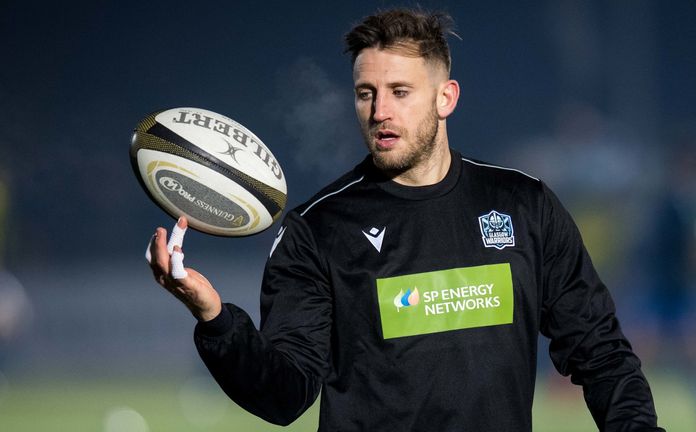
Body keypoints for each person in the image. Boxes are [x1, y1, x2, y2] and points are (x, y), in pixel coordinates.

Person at [147, 8, 664, 432]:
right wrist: (215, 318)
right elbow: (284, 396)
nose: (379, 112)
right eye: (366, 93)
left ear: (446, 98)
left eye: (399, 92)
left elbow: (602, 352)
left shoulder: (523, 205)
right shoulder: (317, 230)